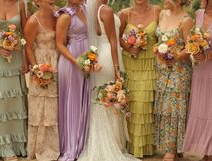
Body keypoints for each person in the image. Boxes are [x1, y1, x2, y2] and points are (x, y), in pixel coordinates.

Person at [77, 0, 140, 160]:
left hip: (97, 57)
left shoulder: (90, 9)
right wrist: (117, 68)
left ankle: (99, 139)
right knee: (111, 98)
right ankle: (113, 141)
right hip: (109, 57)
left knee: (101, 100)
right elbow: (113, 40)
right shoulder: (105, 9)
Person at [0, 0, 27, 160]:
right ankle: (0, 146)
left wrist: (25, 59)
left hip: (15, 57)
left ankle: (15, 143)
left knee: (13, 100)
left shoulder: (21, 4)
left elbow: (24, 32)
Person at [119, 0, 161, 157]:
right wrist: (128, 47)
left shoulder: (158, 11)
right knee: (133, 103)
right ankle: (132, 146)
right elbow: (115, 36)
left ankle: (145, 147)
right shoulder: (125, 14)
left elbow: (163, 34)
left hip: (151, 63)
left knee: (146, 103)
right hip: (131, 64)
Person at [153, 0, 194, 160]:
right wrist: (159, 51)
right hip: (162, 69)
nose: (163, 1)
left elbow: (190, 47)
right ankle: (172, 147)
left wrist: (174, 56)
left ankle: (172, 150)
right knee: (164, 107)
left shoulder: (186, 20)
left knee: (175, 109)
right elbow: (158, 40)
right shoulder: (162, 14)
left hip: (179, 70)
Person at [183, 0, 212, 161]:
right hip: (199, 70)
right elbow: (190, 41)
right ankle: (203, 150)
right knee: (200, 109)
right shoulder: (198, 14)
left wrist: (208, 56)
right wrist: (194, 51)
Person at [55, 0, 90, 160]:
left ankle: (83, 142)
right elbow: (59, 44)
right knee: (72, 102)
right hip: (71, 62)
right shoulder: (65, 16)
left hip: (87, 60)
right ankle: (70, 145)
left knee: (84, 100)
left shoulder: (85, 9)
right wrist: (77, 62)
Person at [24, 0, 59, 160]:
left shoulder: (58, 15)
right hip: (41, 65)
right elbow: (28, 47)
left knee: (56, 106)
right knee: (42, 107)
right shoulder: (33, 21)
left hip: (58, 64)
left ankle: (58, 146)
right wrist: (37, 70)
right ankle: (41, 149)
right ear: (37, 2)